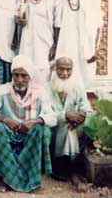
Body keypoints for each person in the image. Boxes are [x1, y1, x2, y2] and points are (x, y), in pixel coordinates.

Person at [0, 55, 56, 193]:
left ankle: (22, 177)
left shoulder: (39, 92)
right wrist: (5, 119)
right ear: (12, 75)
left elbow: (52, 117)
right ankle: (4, 176)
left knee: (42, 129)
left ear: (30, 76)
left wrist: (35, 121)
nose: (20, 79)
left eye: (24, 75)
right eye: (16, 75)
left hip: (30, 135)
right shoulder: (3, 90)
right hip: (9, 133)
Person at [55, 0, 103, 89]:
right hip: (67, 41)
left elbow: (98, 24)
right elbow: (57, 22)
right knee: (65, 76)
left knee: (84, 76)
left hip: (85, 43)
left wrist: (95, 49)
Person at [16, 0, 62, 84]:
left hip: (45, 41)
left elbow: (58, 22)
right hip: (26, 40)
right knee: (25, 73)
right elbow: (17, 15)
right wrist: (19, 19)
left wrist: (55, 45)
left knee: (43, 77)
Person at [49, 57, 92, 188]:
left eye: (68, 70)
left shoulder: (77, 86)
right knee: (66, 127)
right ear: (54, 69)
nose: (65, 73)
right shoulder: (46, 88)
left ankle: (66, 169)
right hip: (54, 128)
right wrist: (65, 116)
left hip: (74, 127)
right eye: (61, 69)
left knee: (70, 129)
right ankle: (73, 171)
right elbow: (45, 114)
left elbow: (87, 108)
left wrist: (81, 116)